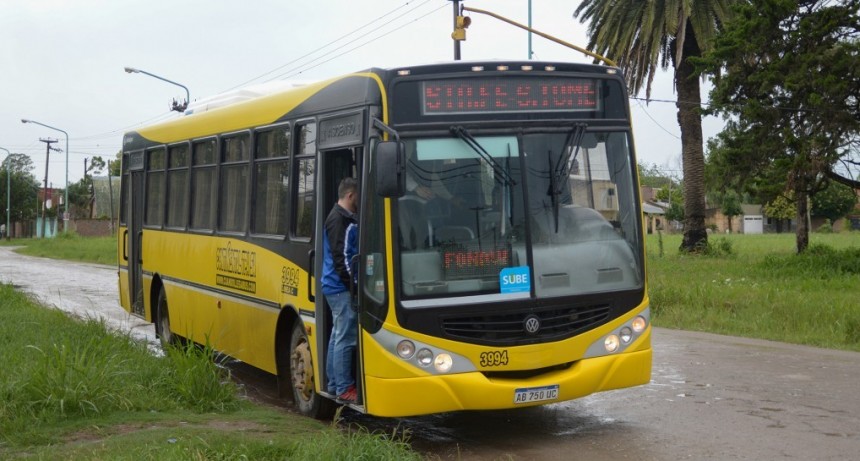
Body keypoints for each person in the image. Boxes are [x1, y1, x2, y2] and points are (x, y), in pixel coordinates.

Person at [322, 177, 359, 404]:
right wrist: (353, 286)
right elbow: (342, 257)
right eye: (357, 197)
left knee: (337, 335)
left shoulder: (338, 216)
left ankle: (335, 384)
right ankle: (345, 387)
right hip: (340, 287)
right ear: (350, 196)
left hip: (333, 285)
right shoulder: (341, 220)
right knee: (346, 337)